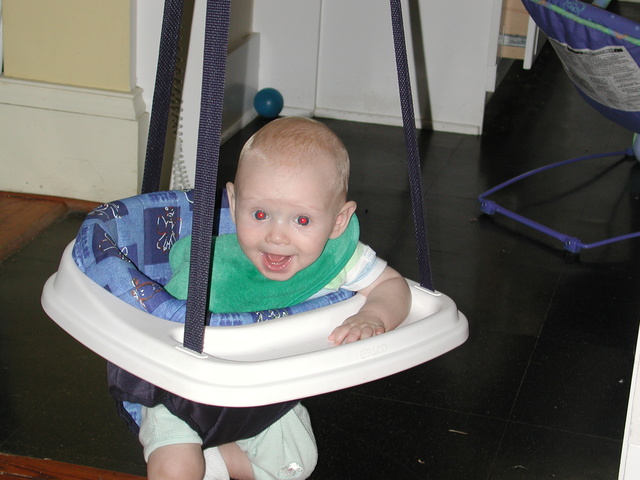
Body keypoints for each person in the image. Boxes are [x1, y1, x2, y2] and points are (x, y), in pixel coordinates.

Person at [144, 117, 411, 480]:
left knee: (295, 465)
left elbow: (392, 285)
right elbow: (156, 323)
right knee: (174, 462)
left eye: (302, 221)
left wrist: (374, 315)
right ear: (234, 202)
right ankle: (191, 456)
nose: (277, 237)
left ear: (338, 221)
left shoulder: (336, 261)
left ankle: (217, 458)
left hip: (266, 393)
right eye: (260, 214)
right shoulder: (210, 265)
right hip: (184, 388)